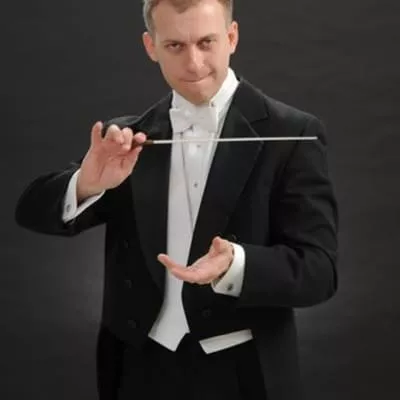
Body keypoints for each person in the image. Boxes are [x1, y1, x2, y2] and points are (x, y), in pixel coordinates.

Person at [15, 0, 338, 399]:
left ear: (232, 37)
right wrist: (87, 183)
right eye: (175, 46)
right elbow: (29, 211)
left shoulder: (294, 132)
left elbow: (320, 271)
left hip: (244, 373)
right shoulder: (128, 138)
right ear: (151, 46)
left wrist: (236, 264)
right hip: (138, 369)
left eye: (206, 42)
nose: (193, 62)